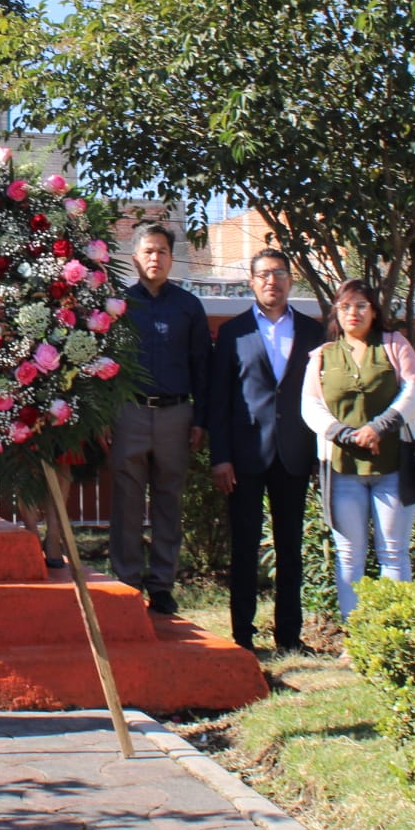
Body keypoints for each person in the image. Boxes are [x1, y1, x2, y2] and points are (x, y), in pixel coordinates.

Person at [207, 248, 328, 652]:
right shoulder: (232, 332)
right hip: (243, 457)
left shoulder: (313, 332)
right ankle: (242, 635)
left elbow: (323, 396)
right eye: (263, 275)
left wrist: (317, 456)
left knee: (290, 548)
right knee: (244, 548)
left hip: (294, 454)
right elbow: (218, 399)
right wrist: (220, 456)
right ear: (251, 282)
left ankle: (289, 637)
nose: (271, 281)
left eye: (278, 273)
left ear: (291, 280)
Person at [299, 278, 415, 624]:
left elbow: (413, 392)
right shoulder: (323, 356)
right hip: (343, 472)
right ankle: (355, 636)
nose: (353, 313)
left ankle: (394, 635)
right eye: (345, 306)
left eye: (360, 306)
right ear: (336, 313)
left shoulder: (393, 345)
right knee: (349, 555)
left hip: (393, 469)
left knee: (393, 553)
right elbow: (310, 407)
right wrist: (343, 434)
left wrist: (378, 428)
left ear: (374, 311)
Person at [105, 223, 210, 616]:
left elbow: (203, 365)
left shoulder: (188, 306)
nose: (156, 258)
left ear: (172, 257)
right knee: (127, 501)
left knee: (170, 499)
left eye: (163, 251)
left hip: (176, 414)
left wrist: (201, 417)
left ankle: (163, 585)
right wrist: (105, 417)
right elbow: (104, 364)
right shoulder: (118, 305)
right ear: (135, 258)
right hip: (129, 412)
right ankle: (127, 582)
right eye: (148, 251)